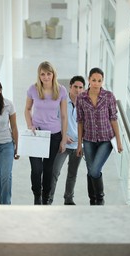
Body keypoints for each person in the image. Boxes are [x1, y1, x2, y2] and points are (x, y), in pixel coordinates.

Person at [76, 67, 123, 205]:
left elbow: (114, 119)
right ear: (89, 80)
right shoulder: (81, 98)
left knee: (95, 170)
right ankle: (93, 201)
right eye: (94, 80)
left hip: (105, 140)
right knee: (91, 171)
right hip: (89, 139)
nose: (96, 83)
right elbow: (80, 121)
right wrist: (80, 144)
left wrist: (119, 142)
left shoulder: (109, 96)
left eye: (99, 80)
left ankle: (100, 199)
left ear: (102, 81)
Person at [24, 61, 67, 205]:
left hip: (54, 135)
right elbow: (27, 109)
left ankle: (46, 197)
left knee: (48, 169)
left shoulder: (61, 90)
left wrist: (63, 139)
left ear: (53, 74)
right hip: (37, 135)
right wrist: (30, 125)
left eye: (49, 73)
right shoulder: (33, 89)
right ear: (39, 75)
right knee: (36, 170)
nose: (46, 77)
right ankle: (37, 195)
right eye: (43, 74)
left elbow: (64, 116)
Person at [49, 76, 85, 205]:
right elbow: (55, 119)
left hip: (78, 146)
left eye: (81, 87)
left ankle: (68, 199)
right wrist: (63, 136)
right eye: (75, 87)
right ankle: (49, 199)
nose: (78, 90)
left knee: (72, 174)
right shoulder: (62, 102)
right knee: (54, 172)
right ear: (70, 87)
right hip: (63, 143)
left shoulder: (85, 105)